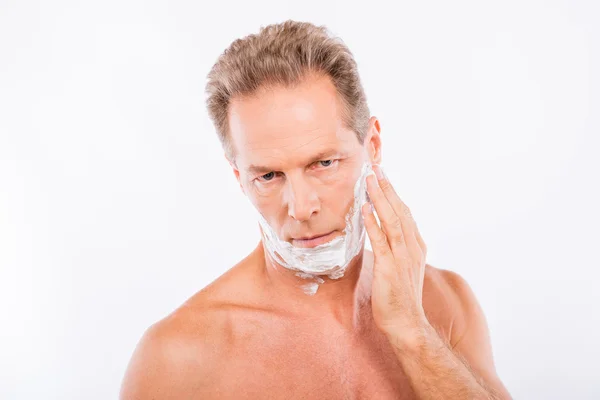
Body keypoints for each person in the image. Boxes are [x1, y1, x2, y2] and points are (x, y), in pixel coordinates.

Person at [120, 20, 512, 399]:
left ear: (372, 146)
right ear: (240, 178)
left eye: (324, 164)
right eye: (270, 176)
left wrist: (413, 333)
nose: (302, 207)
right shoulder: (177, 359)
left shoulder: (447, 304)